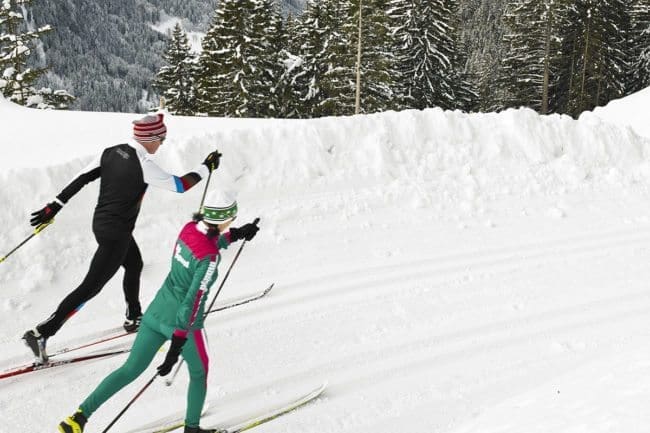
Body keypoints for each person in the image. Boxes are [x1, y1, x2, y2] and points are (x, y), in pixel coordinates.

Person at [23, 113, 222, 364]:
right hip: (116, 234)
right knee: (90, 287)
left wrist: (54, 206)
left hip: (104, 225)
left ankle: (133, 316)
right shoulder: (143, 165)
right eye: (161, 138)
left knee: (134, 264)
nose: (162, 143)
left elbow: (81, 178)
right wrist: (206, 167)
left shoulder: (111, 152)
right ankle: (42, 332)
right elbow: (181, 185)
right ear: (151, 138)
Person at [57, 193, 260, 433]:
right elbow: (193, 301)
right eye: (232, 218)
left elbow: (204, 243)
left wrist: (234, 235)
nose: (232, 220)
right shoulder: (210, 259)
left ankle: (78, 417)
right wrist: (177, 344)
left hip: (155, 313)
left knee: (129, 369)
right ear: (223, 217)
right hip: (180, 324)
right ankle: (191, 429)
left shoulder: (188, 229)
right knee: (199, 371)